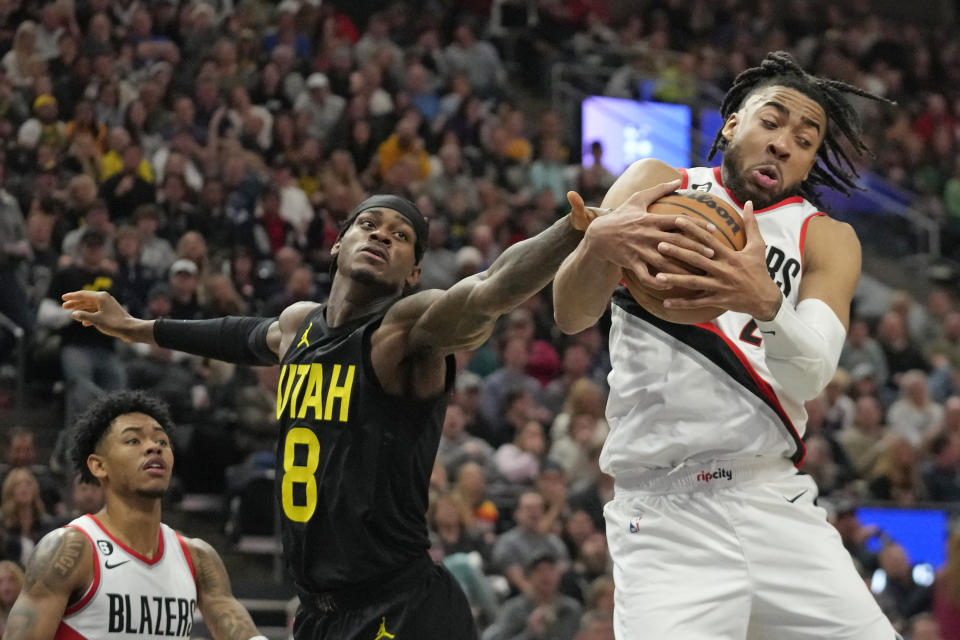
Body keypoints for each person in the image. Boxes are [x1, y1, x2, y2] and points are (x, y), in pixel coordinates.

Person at [61, 193, 588, 638]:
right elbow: (234, 335)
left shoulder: (403, 331)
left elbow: (489, 291)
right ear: (338, 245)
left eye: (401, 235)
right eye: (368, 225)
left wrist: (571, 230)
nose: (382, 236)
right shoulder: (297, 327)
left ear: (415, 272)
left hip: (400, 604)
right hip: (319, 613)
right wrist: (137, 327)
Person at [553, 51, 899, 639]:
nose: (783, 144)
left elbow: (810, 376)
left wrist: (765, 302)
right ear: (733, 122)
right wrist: (597, 247)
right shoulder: (656, 184)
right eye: (771, 121)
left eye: (805, 139)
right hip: (664, 519)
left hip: (771, 499)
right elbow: (569, 313)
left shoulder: (827, 238)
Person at [1, 391, 262, 640]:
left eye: (162, 441)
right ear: (99, 466)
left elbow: (243, 633)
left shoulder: (197, 557)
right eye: (133, 440)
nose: (153, 448)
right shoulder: (71, 549)